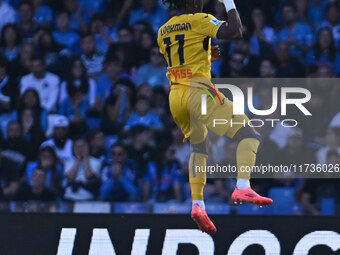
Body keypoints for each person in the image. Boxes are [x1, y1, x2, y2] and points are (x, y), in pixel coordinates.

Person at [158, 0, 272, 234]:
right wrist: (228, 2)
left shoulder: (163, 30)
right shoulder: (199, 20)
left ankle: (197, 204)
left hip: (176, 96)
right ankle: (242, 186)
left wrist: (207, 59)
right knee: (249, 133)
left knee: (199, 148)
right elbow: (235, 32)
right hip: (198, 91)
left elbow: (182, 60)